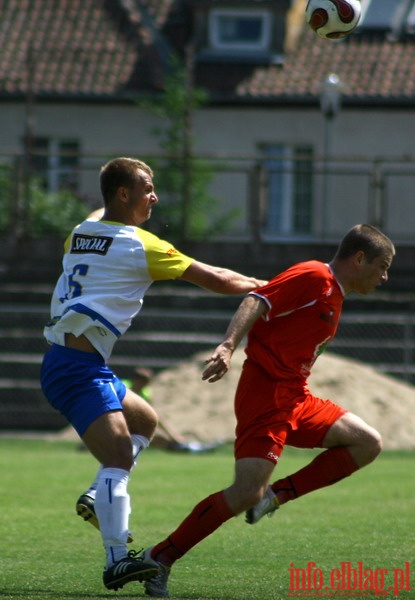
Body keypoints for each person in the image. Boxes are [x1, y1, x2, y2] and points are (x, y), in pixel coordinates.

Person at [40, 157, 266, 592]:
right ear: (123, 194)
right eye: (146, 187)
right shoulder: (140, 244)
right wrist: (269, 285)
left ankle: (98, 495)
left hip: (80, 363)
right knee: (120, 458)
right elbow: (218, 279)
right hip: (75, 369)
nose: (154, 195)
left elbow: (94, 214)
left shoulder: (81, 234)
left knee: (145, 420)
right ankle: (116, 560)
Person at [138, 224, 395, 598]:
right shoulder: (314, 275)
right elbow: (257, 300)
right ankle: (159, 557)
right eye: (383, 266)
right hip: (267, 395)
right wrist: (227, 345)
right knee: (244, 492)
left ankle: (276, 496)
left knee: (367, 442)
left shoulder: (333, 293)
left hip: (297, 397)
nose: (385, 276)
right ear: (359, 258)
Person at [127, 366, 223, 453]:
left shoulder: (145, 394)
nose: (145, 385)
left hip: (133, 426)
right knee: (155, 439)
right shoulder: (123, 388)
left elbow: (155, 415)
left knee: (160, 439)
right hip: (122, 425)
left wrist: (172, 435)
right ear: (136, 380)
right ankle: (188, 448)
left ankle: (188, 448)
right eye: (144, 382)